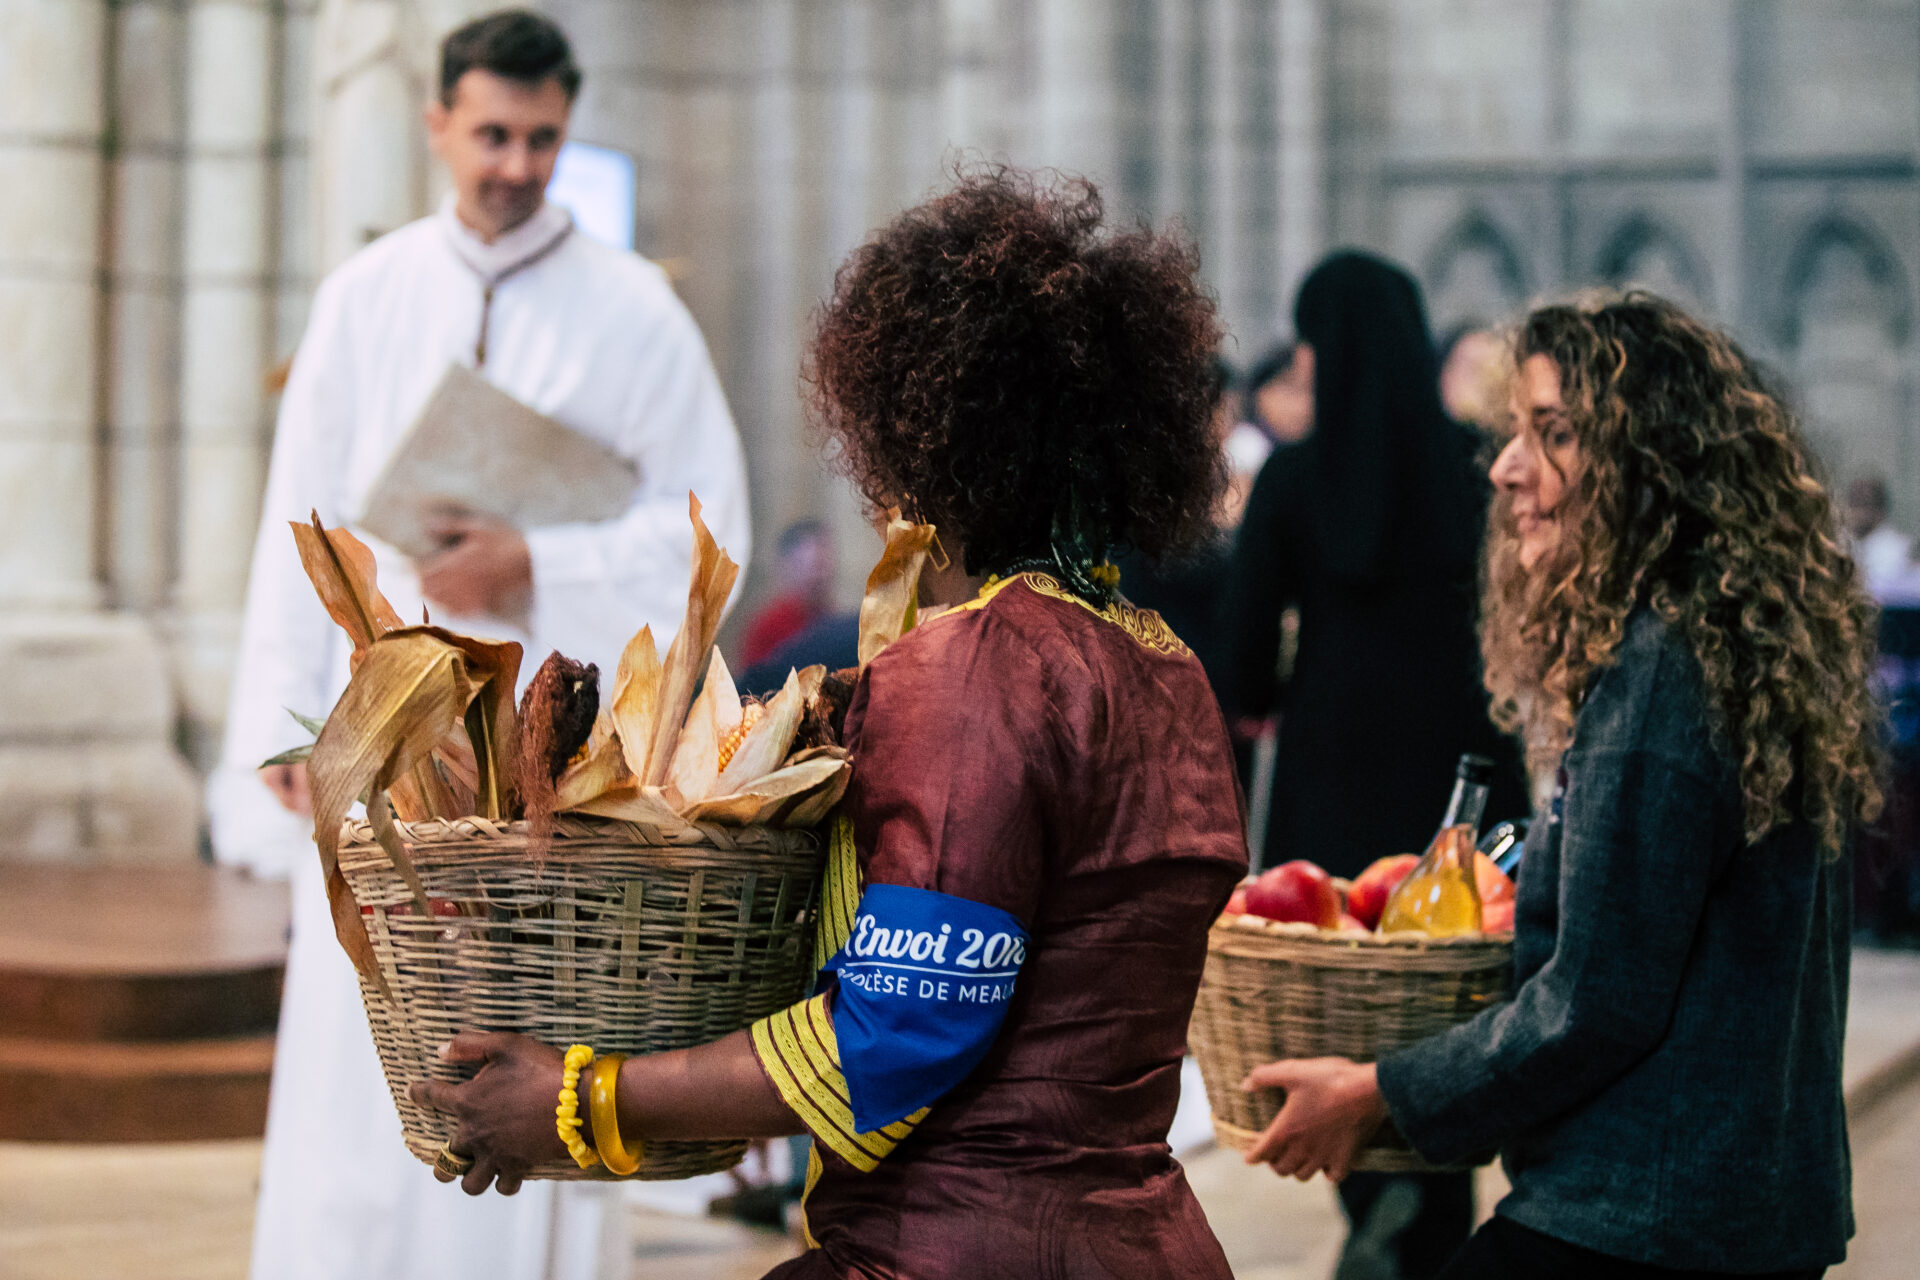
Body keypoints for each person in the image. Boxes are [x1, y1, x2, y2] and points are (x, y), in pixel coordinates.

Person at [407, 167, 1247, 1279]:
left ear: (920, 429)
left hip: (962, 1249)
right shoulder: (1162, 663)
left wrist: (579, 1094)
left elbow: (892, 1040)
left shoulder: (981, 664)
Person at [206, 11, 749, 1280]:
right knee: (360, 1055)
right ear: (439, 123)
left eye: (542, 139)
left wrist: (537, 564)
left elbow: (703, 534)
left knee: (527, 1040)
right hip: (382, 745)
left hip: (543, 766)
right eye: (492, 133)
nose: (515, 162)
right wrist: (284, 725)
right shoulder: (367, 296)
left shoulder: (637, 314)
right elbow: (306, 525)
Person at [1244, 294, 1882, 1280]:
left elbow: (1597, 1002)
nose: (1506, 468)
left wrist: (1382, 1089)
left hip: (1644, 1213)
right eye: (1514, 432)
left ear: (1652, 463)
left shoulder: (1665, 671)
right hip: (1735, 1206)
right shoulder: (1723, 647)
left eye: (1555, 434)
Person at [1226, 252, 1528, 1279]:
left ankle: (1376, 1194)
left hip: (1332, 783)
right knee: (1449, 993)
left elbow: (1239, 669)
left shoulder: (1295, 479)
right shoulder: (1482, 465)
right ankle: (1427, 1199)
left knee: (1339, 996)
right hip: (1468, 777)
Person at [740, 519, 837, 668]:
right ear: (788, 567)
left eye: (824, 566)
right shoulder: (770, 627)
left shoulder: (831, 620)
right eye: (813, 566)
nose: (821, 576)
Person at [1842, 473, 1914, 595]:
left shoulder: (1900, 549)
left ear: (1881, 510)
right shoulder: (1838, 543)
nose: (1856, 512)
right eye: (1853, 503)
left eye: (1864, 504)